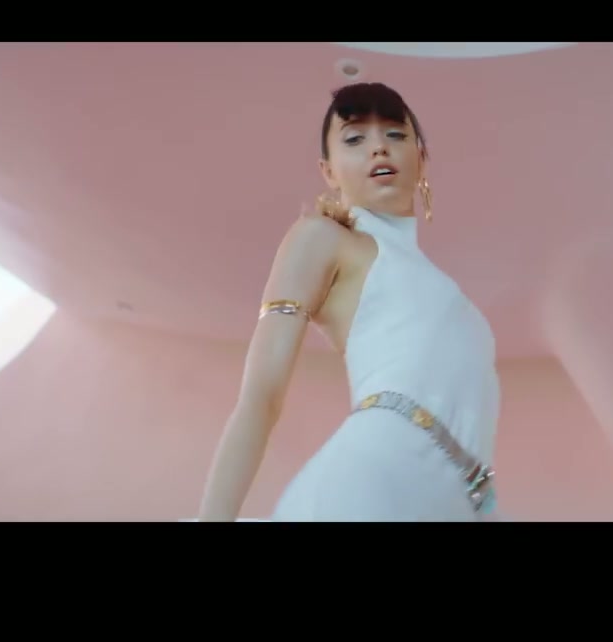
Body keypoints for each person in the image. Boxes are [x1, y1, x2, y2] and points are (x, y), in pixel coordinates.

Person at [197, 82, 502, 521]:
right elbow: (261, 397)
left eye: (395, 134)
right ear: (328, 171)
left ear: (421, 157)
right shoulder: (324, 238)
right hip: (369, 487)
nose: (379, 148)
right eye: (355, 139)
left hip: (457, 503)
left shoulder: (444, 288)